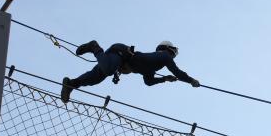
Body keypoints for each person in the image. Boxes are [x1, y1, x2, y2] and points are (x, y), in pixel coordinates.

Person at [61, 40, 200, 103]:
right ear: (168, 50)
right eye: (173, 54)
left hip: (119, 58)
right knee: (108, 70)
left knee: (96, 77)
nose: (172, 57)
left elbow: (148, 81)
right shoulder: (164, 57)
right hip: (120, 53)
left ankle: (71, 84)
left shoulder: (153, 66)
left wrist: (164, 79)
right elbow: (178, 72)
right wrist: (191, 81)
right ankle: (94, 47)